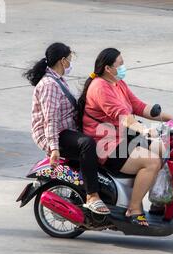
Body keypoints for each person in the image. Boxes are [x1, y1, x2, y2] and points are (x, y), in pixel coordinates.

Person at [80, 48, 173, 226]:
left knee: (166, 149)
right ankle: (134, 209)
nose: (123, 67)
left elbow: (137, 106)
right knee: (152, 162)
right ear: (108, 68)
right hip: (106, 145)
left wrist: (171, 118)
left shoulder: (117, 83)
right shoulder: (100, 87)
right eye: (120, 64)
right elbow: (123, 115)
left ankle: (158, 202)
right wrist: (143, 130)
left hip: (122, 138)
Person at [23, 42, 110, 215]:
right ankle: (92, 196)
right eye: (70, 59)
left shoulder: (57, 79)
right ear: (62, 61)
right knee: (87, 144)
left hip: (63, 130)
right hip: (53, 135)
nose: (71, 62)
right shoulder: (50, 85)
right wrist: (54, 148)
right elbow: (51, 119)